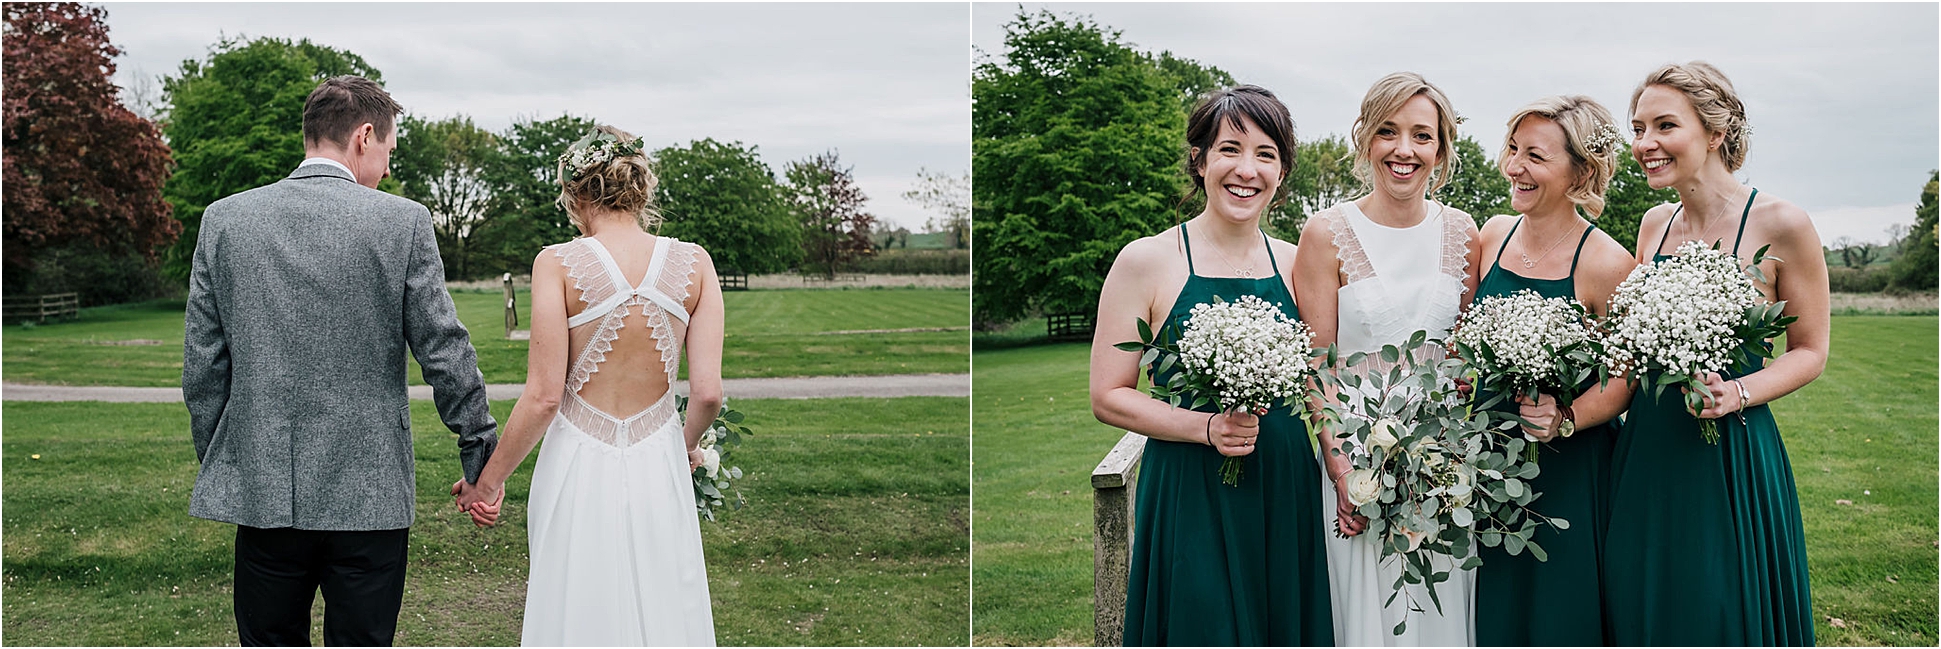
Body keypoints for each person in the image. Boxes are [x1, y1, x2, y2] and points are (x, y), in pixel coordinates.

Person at [182, 75, 500, 646]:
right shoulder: (402, 221)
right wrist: (478, 448)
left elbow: (203, 367)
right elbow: (443, 349)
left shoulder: (224, 220)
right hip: (370, 489)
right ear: (364, 136)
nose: (385, 169)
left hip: (264, 490)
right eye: (387, 153)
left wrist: (229, 461)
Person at [1089, 84, 1333, 646]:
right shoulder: (1147, 260)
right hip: (1190, 487)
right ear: (1199, 161)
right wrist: (1205, 428)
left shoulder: (1298, 263)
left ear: (1282, 171)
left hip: (1282, 482)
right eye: (1230, 149)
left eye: (1266, 154)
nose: (1247, 169)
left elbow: (1323, 374)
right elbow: (1108, 395)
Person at [463, 125, 725, 646]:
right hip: (657, 460)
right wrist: (684, 447)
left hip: (578, 462)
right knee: (664, 596)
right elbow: (708, 393)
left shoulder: (557, 263)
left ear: (579, 194)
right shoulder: (695, 262)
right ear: (638, 187)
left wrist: (487, 484)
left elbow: (543, 396)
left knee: (575, 604)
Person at [1604, 61, 1826, 646]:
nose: (1645, 144)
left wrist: (1739, 393)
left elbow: (1810, 351)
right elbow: (1629, 349)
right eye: (1638, 128)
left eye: (1664, 126)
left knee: (1719, 606)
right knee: (1643, 601)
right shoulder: (1654, 225)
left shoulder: (1782, 223)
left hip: (1730, 451)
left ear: (1716, 130)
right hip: (1648, 447)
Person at [1290, 71, 1484, 646]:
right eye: (1388, 132)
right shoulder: (1326, 232)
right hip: (1356, 456)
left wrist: (1456, 451)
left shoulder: (1462, 231)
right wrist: (1341, 468)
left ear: (1442, 149)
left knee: (1442, 607)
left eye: (1422, 136)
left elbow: (1465, 355)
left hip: (1446, 462)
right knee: (1369, 614)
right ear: (1365, 139)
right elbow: (1315, 365)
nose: (1405, 150)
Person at [1466, 95, 1636, 646]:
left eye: (1535, 156)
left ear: (1580, 171)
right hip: (1490, 460)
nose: (1514, 166)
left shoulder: (1608, 263)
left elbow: (1622, 380)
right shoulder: (1492, 235)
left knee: (1561, 610)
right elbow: (1465, 340)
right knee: (1498, 604)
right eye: (1513, 150)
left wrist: (1564, 417)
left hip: (1570, 466)